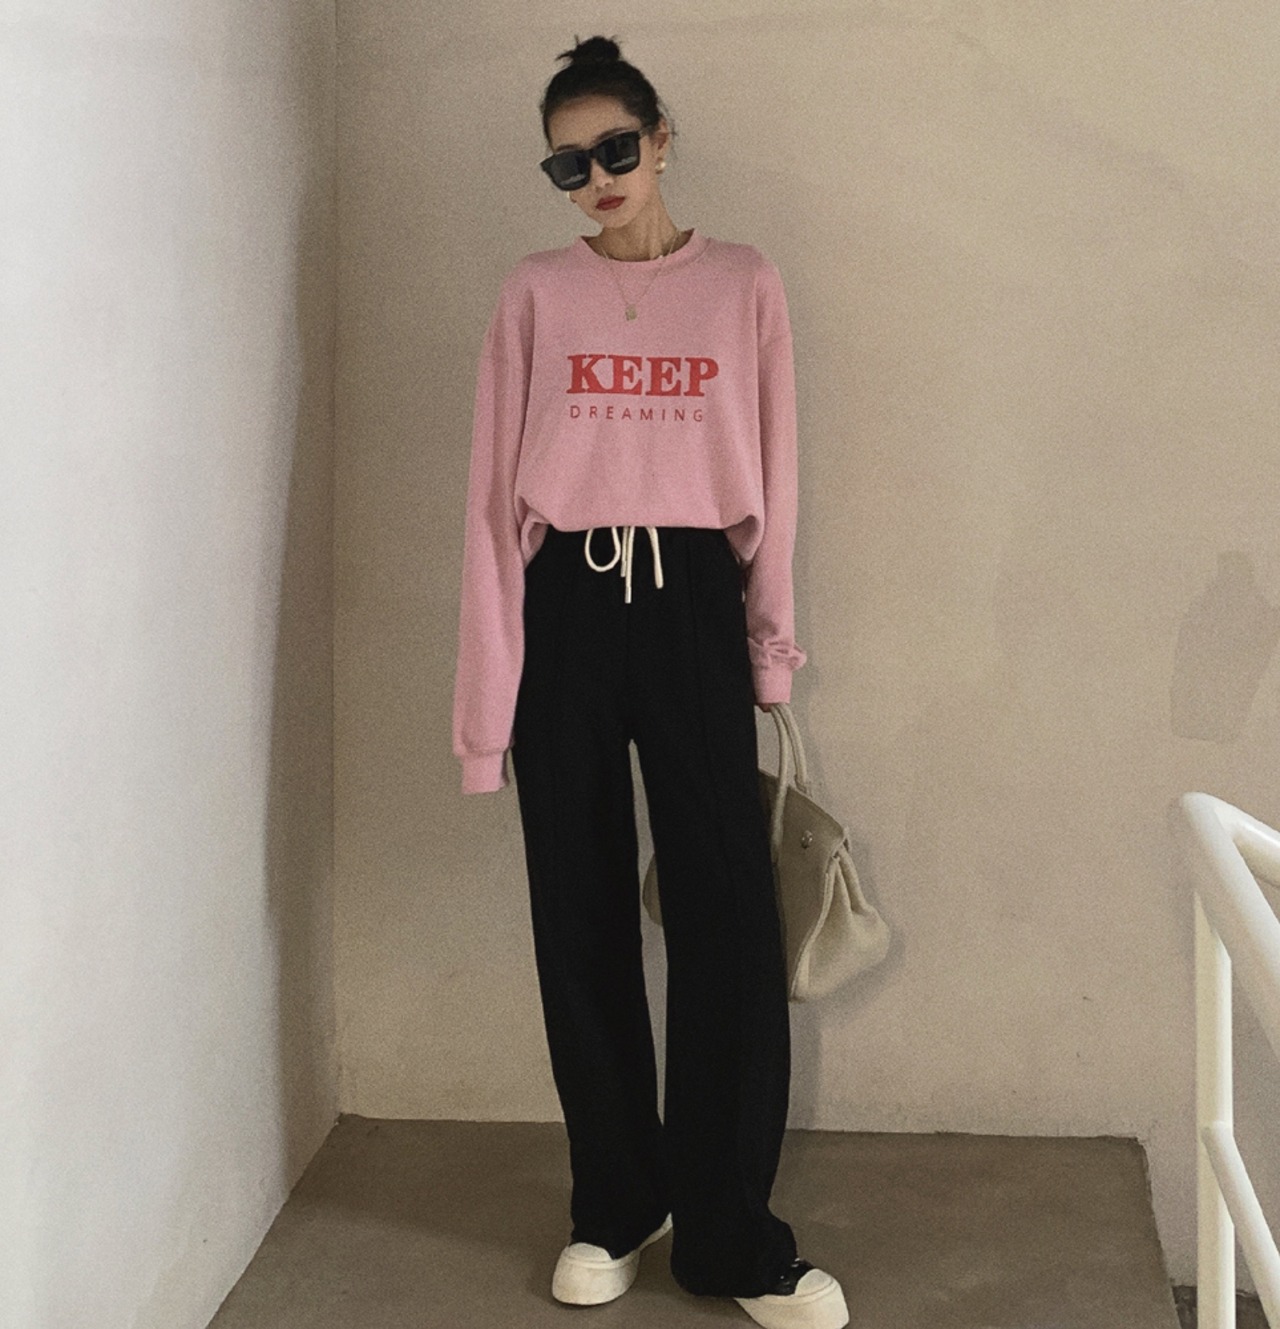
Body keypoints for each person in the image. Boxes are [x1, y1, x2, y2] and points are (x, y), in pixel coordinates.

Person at [450, 34, 848, 1329]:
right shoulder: (534, 294)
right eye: (569, 163)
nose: (598, 178)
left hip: (689, 606)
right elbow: (490, 507)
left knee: (728, 920)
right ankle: (614, 1205)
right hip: (566, 603)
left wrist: (770, 645)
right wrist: (485, 712)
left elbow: (778, 477)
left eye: (616, 148)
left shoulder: (742, 284)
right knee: (577, 912)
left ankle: (731, 1236)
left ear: (661, 139)